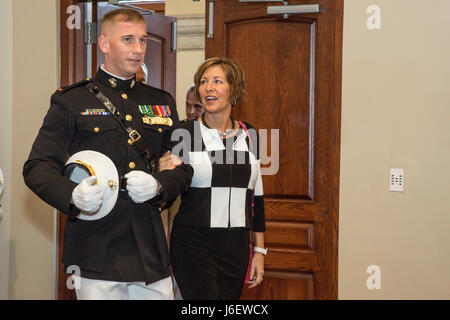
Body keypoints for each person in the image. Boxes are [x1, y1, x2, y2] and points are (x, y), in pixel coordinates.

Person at [23, 8, 192, 300]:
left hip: (149, 250)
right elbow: (37, 166)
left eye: (142, 40)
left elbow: (184, 166)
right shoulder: (72, 100)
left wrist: (160, 185)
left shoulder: (160, 101)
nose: (138, 49)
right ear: (104, 44)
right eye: (128, 39)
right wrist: (72, 195)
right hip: (95, 251)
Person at [169, 57, 267, 300]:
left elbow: (256, 196)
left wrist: (260, 251)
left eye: (217, 81)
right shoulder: (185, 134)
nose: (208, 87)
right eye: (203, 82)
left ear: (233, 90)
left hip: (235, 248)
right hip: (194, 244)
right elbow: (166, 192)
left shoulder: (250, 134)